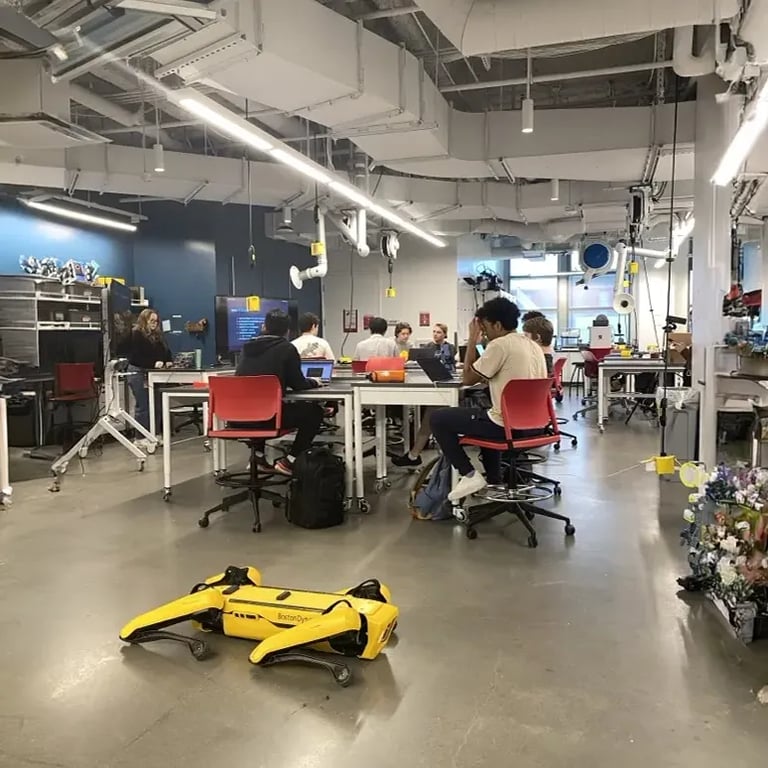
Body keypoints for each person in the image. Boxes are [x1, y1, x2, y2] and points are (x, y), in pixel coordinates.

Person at [430, 297, 548, 502]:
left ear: (498, 325)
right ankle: (495, 481)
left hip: (508, 427)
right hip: (536, 425)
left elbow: (467, 378)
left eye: (484, 328)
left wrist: (472, 340)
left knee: (438, 418)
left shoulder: (499, 345)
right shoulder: (532, 346)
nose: (484, 333)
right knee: (485, 414)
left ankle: (469, 474)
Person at [236, 309, 324, 475]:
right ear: (287, 331)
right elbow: (299, 384)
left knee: (259, 403)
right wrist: (314, 382)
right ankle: (290, 461)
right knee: (314, 412)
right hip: (268, 417)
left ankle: (258, 457)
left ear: (264, 327)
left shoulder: (246, 348)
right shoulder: (287, 349)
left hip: (238, 417)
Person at [391, 322, 458, 468]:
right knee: (429, 419)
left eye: (438, 332)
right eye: (434, 332)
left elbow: (450, 365)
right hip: (436, 385)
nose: (435, 334)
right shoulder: (428, 347)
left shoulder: (449, 347)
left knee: (431, 420)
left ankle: (418, 456)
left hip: (443, 387)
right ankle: (415, 455)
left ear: (445, 334)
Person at [126, 308, 172, 432]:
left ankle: (155, 433)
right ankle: (141, 437)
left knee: (157, 405)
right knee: (143, 406)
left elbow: (165, 351)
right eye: (151, 321)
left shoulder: (158, 335)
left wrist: (168, 360)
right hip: (138, 372)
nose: (154, 324)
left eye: (156, 321)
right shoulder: (136, 334)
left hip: (154, 373)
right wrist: (152, 363)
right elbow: (136, 356)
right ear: (144, 320)